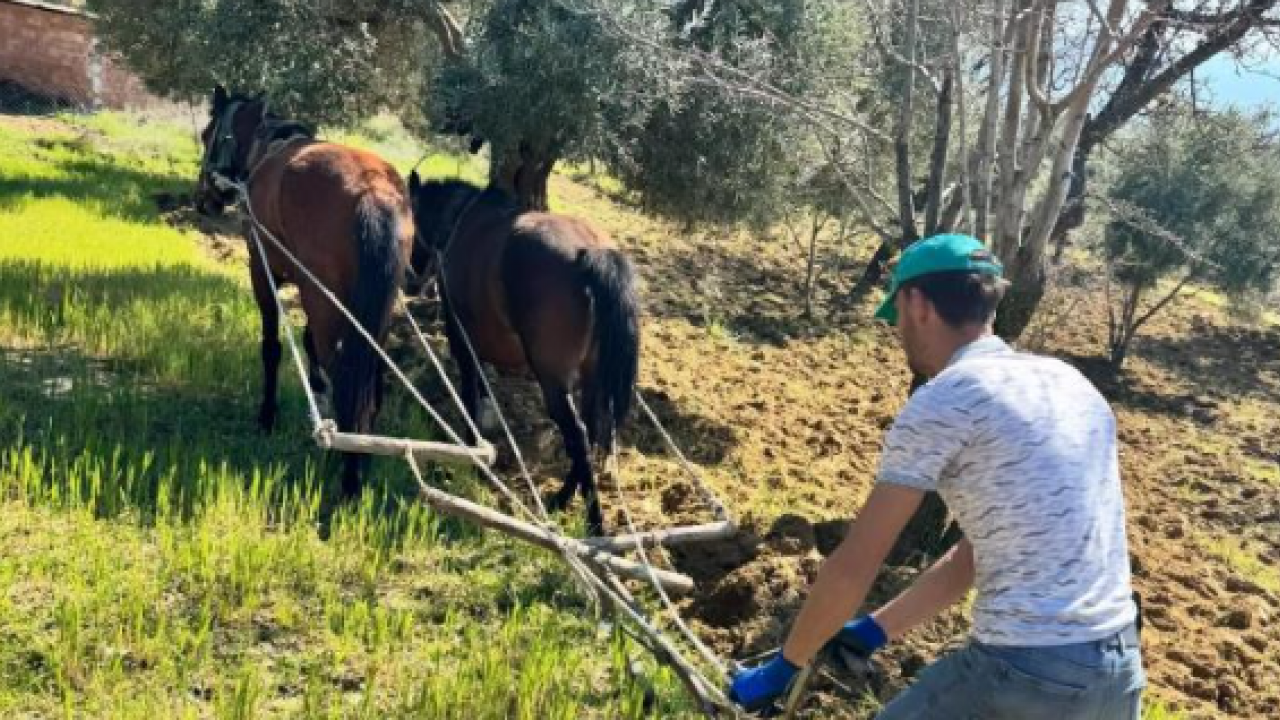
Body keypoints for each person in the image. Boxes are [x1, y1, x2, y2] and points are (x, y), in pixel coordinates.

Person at [728, 234, 1145, 718]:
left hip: (1025, 672)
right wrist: (875, 630)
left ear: (917, 303)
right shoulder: (1069, 383)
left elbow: (855, 564)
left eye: (898, 317)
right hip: (1117, 672)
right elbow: (974, 557)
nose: (900, 332)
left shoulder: (948, 398)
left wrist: (783, 667)